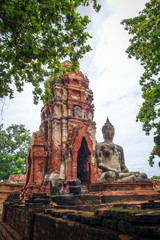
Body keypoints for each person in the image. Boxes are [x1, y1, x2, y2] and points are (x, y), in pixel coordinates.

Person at [96, 118, 148, 183]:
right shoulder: (99, 146)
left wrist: (125, 170)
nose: (112, 132)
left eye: (113, 130)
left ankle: (123, 180)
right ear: (103, 132)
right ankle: (129, 179)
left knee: (143, 175)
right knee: (111, 175)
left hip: (120, 173)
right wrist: (112, 169)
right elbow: (100, 163)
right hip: (108, 173)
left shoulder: (119, 148)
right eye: (109, 129)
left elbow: (123, 166)